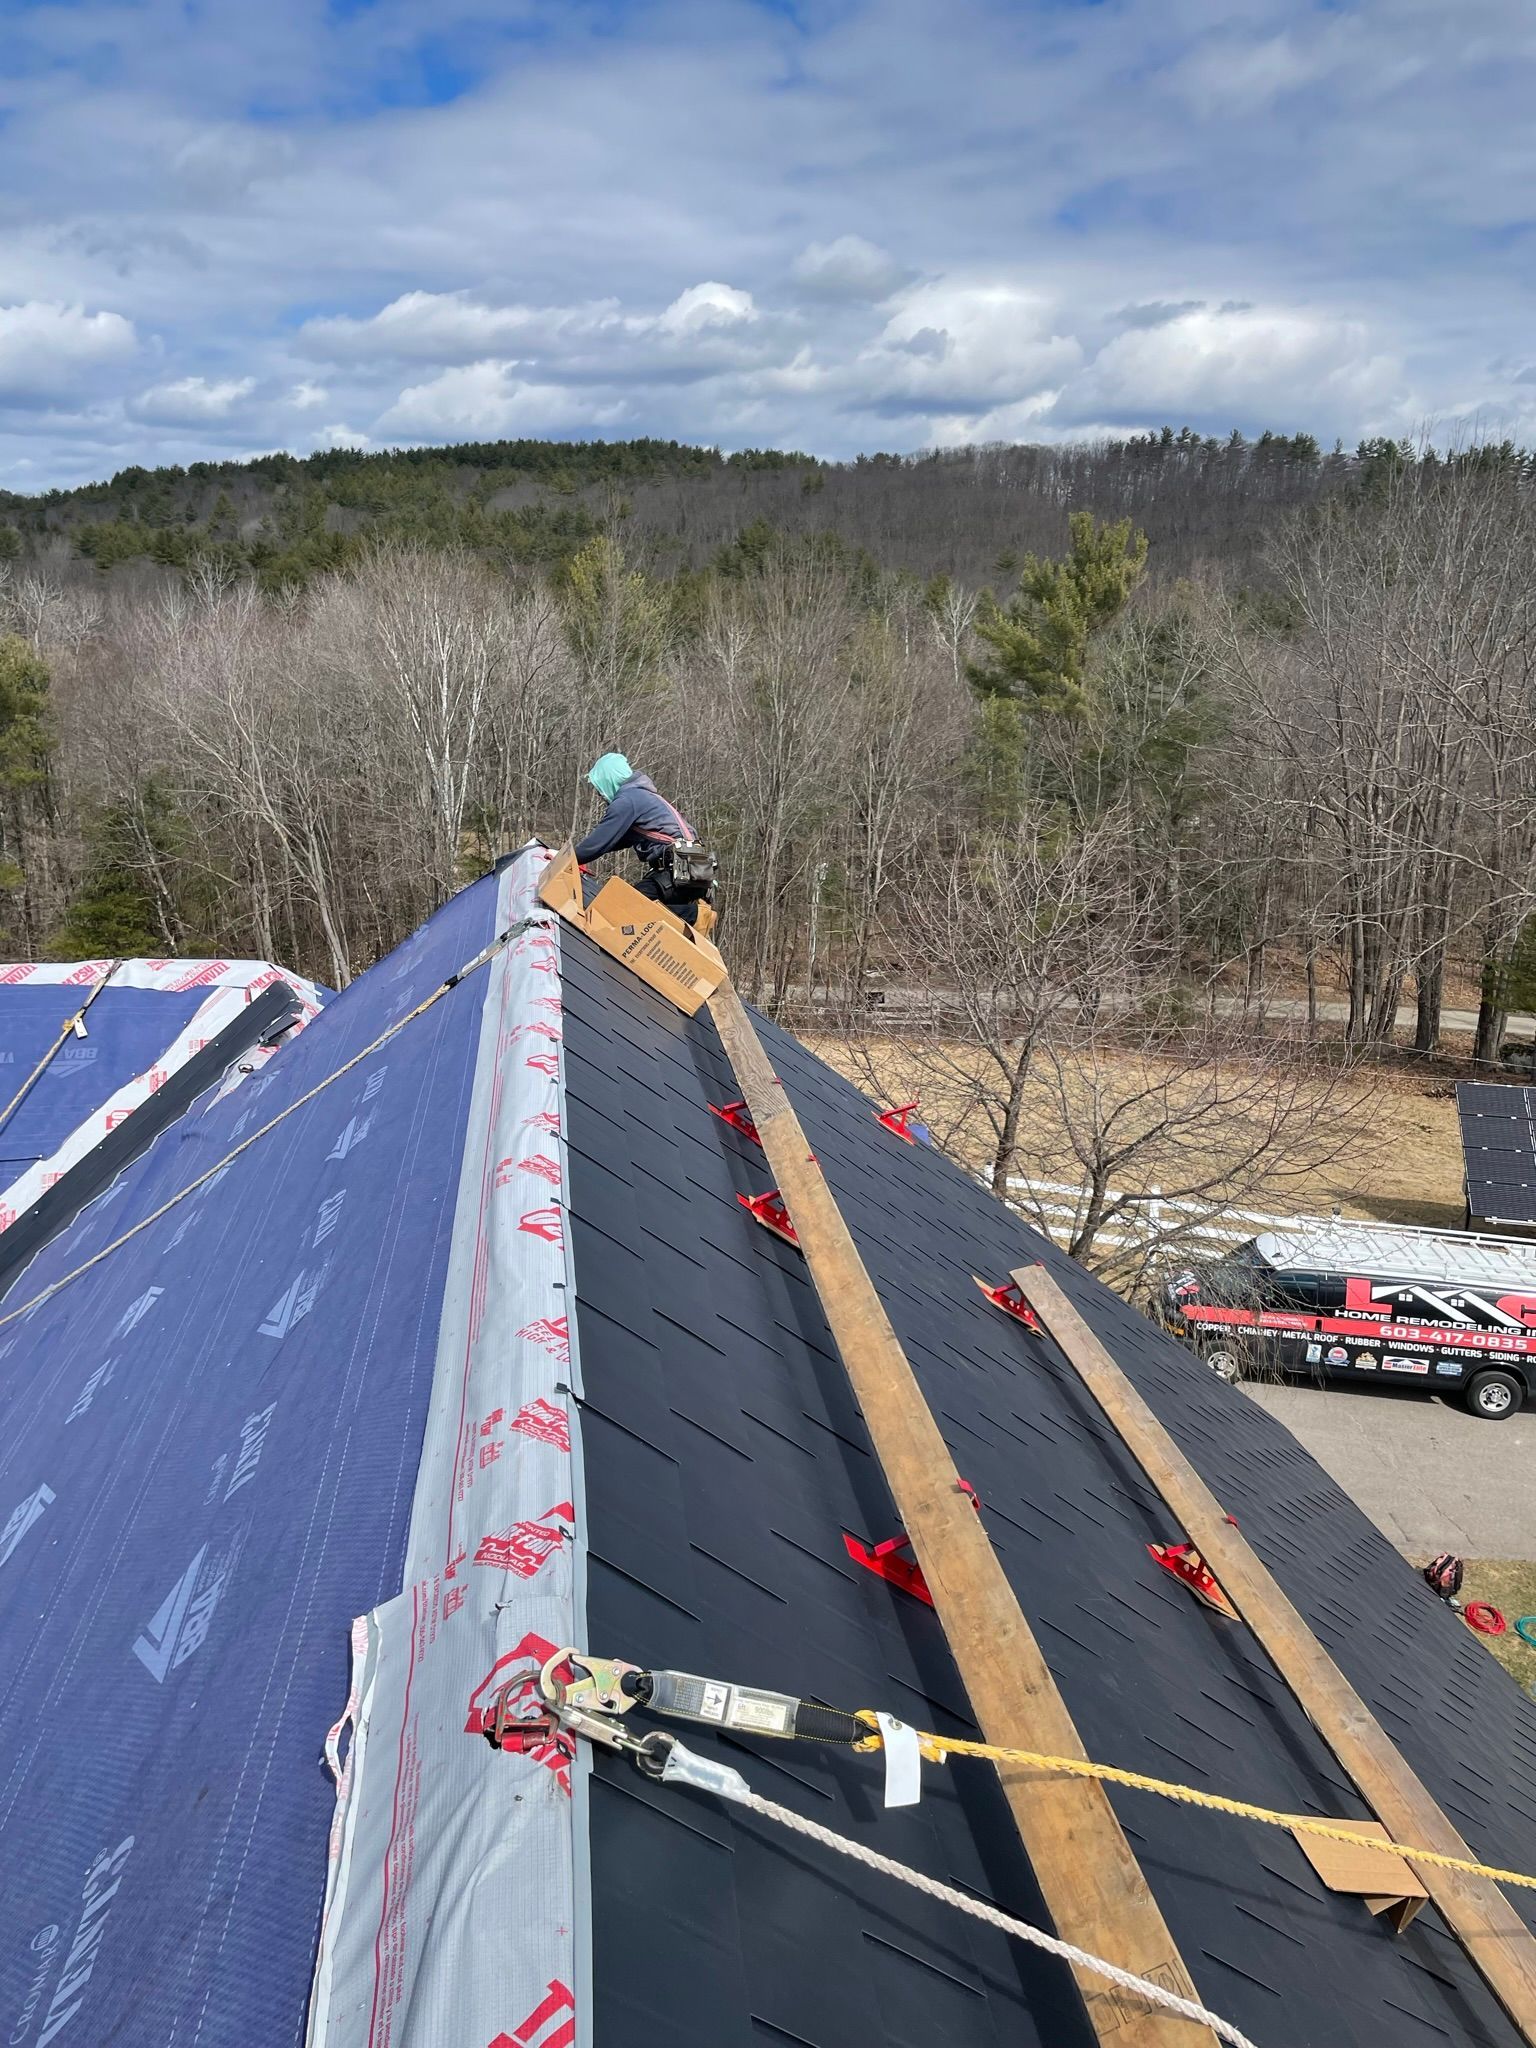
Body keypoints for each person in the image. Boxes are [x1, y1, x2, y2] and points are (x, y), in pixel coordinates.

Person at [574, 752, 715, 925]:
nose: (600, 795)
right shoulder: (644, 797)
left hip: (676, 871)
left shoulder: (627, 800)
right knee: (652, 922)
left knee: (625, 909)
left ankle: (695, 915)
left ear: (607, 780)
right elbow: (616, 841)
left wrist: (569, 858)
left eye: (599, 788)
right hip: (694, 870)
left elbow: (597, 844)